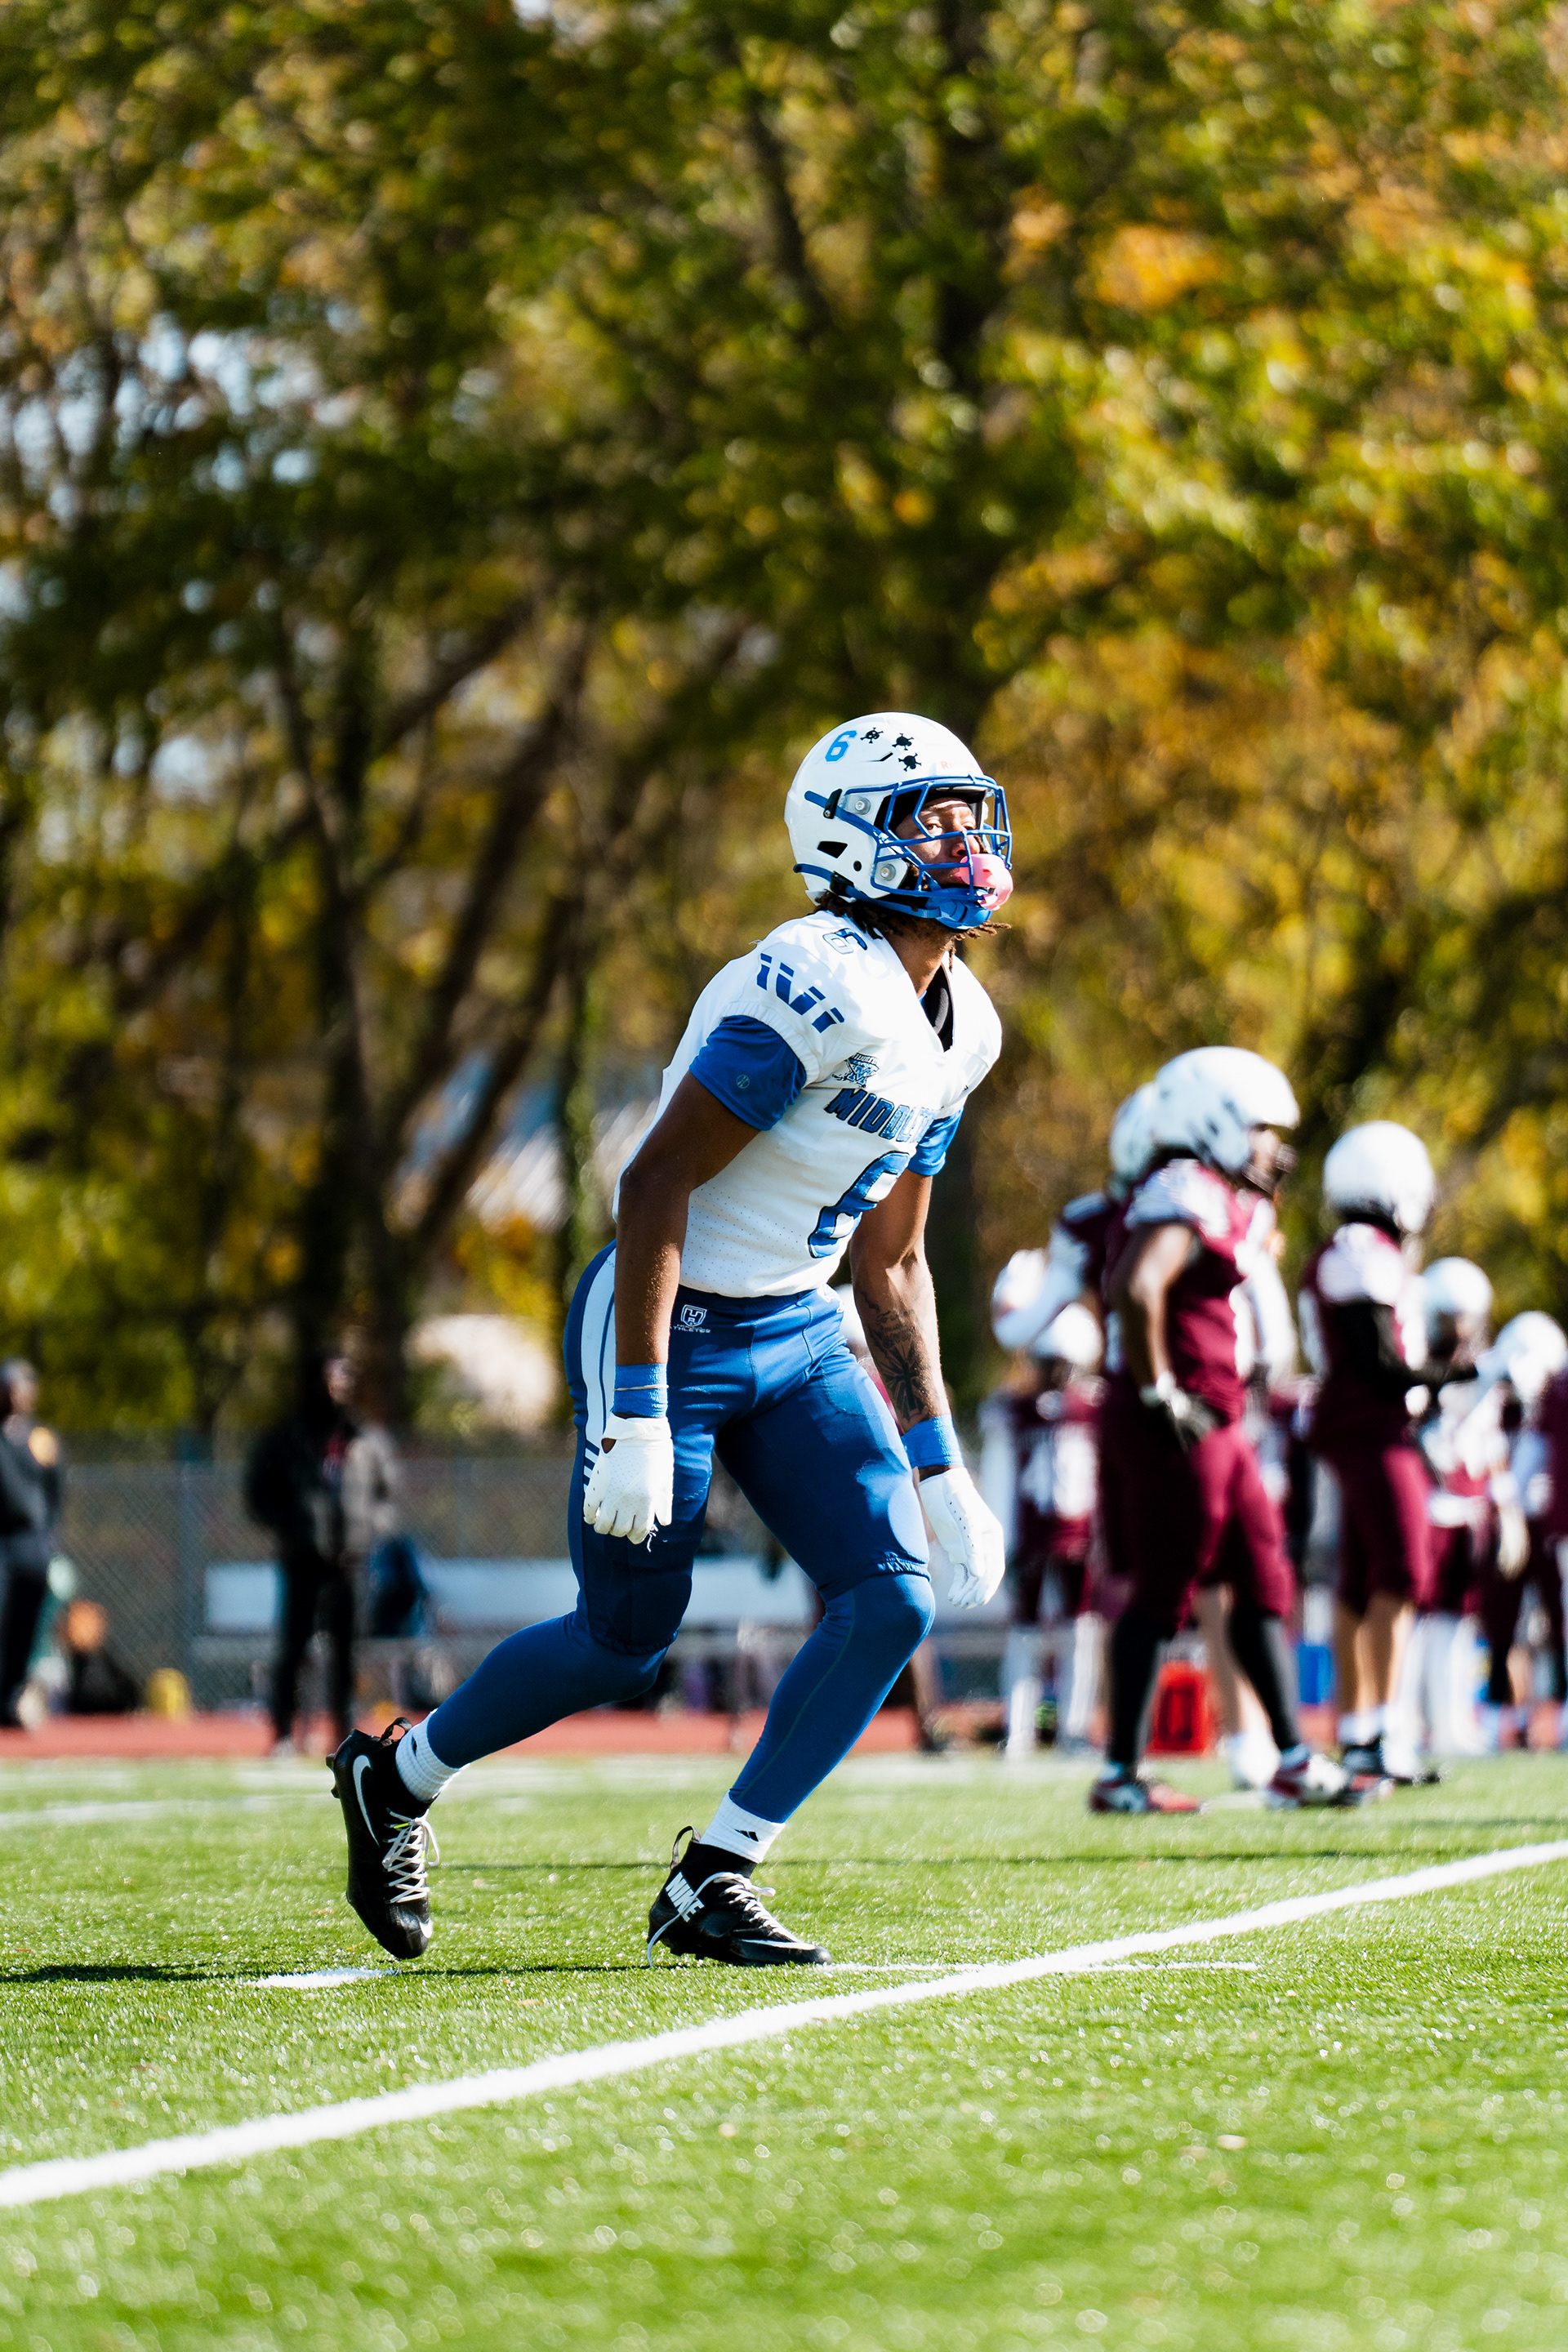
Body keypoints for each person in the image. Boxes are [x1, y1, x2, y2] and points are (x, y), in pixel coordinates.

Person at [330, 711, 1011, 1963]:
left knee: (891, 1598)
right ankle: (398, 1777)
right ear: (851, 839)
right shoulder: (818, 979)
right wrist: (639, 1410)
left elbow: (895, 1260)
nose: (966, 844)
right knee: (624, 1639)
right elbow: (653, 1184)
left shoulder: (965, 1023)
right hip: (672, 1317)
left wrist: (940, 1462)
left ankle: (715, 1874)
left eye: (973, 818)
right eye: (934, 821)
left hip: (798, 1325)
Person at [1094, 1048, 1357, 1814]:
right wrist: (1160, 1390)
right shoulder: (1186, 1188)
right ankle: (1118, 1774)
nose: (1274, 1148)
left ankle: (1294, 1756)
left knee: (1263, 1574)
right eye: (1263, 1130)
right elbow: (1137, 1287)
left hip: (1220, 1419)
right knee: (1164, 1588)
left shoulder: (1217, 1195)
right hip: (1181, 1421)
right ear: (1216, 1121)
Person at [1298, 1121, 1438, 1783]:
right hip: (1370, 1427)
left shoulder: (1356, 1248)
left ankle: (1360, 1730)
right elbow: (1382, 1364)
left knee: (1360, 1578)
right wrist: (1458, 1373)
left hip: (1363, 1426)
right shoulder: (1362, 1248)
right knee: (1404, 1571)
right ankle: (1381, 1729)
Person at [980, 1301, 1103, 1759]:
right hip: (1031, 1535)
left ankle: (1074, 1728)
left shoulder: (1091, 1407)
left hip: (1080, 1535)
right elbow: (998, 1468)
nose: (1055, 1372)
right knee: (1025, 1632)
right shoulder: (1015, 1408)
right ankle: (1019, 1728)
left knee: (1080, 1631)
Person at [1409, 1259, 1513, 1765]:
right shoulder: (1417, 1368)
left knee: (1458, 1623)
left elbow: (1490, 1444)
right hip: (1428, 1507)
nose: (1462, 1329)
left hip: (1466, 1510)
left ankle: (1453, 1721)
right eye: (1452, 1318)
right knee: (1413, 1621)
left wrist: (1505, 1508)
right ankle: (1404, 1723)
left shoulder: (1485, 1372)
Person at [245, 1351, 362, 1756]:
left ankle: (346, 1735)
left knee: (347, 1652)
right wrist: (295, 1528)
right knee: (294, 1650)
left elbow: (386, 1494)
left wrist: (363, 1534)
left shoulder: (362, 1439)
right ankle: (283, 1734)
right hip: (301, 1563)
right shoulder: (285, 1439)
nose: (336, 1389)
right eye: (329, 1380)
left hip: (349, 1565)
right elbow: (258, 1493)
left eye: (343, 1380)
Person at [1473, 1312, 1568, 1751]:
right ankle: (1499, 1713)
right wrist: (1507, 1505)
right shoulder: (1500, 1402)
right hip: (1515, 1522)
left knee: (1556, 1621)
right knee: (1501, 1620)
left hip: (1546, 1524)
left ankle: (1556, 1709)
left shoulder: (1554, 1399)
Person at [0, 1361, 64, 1730]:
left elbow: (55, 1490)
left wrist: (50, 1539)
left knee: (26, 1625)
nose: (13, 1394)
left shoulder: (41, 1438)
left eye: (20, 1386)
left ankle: (11, 1698)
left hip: (31, 1545)